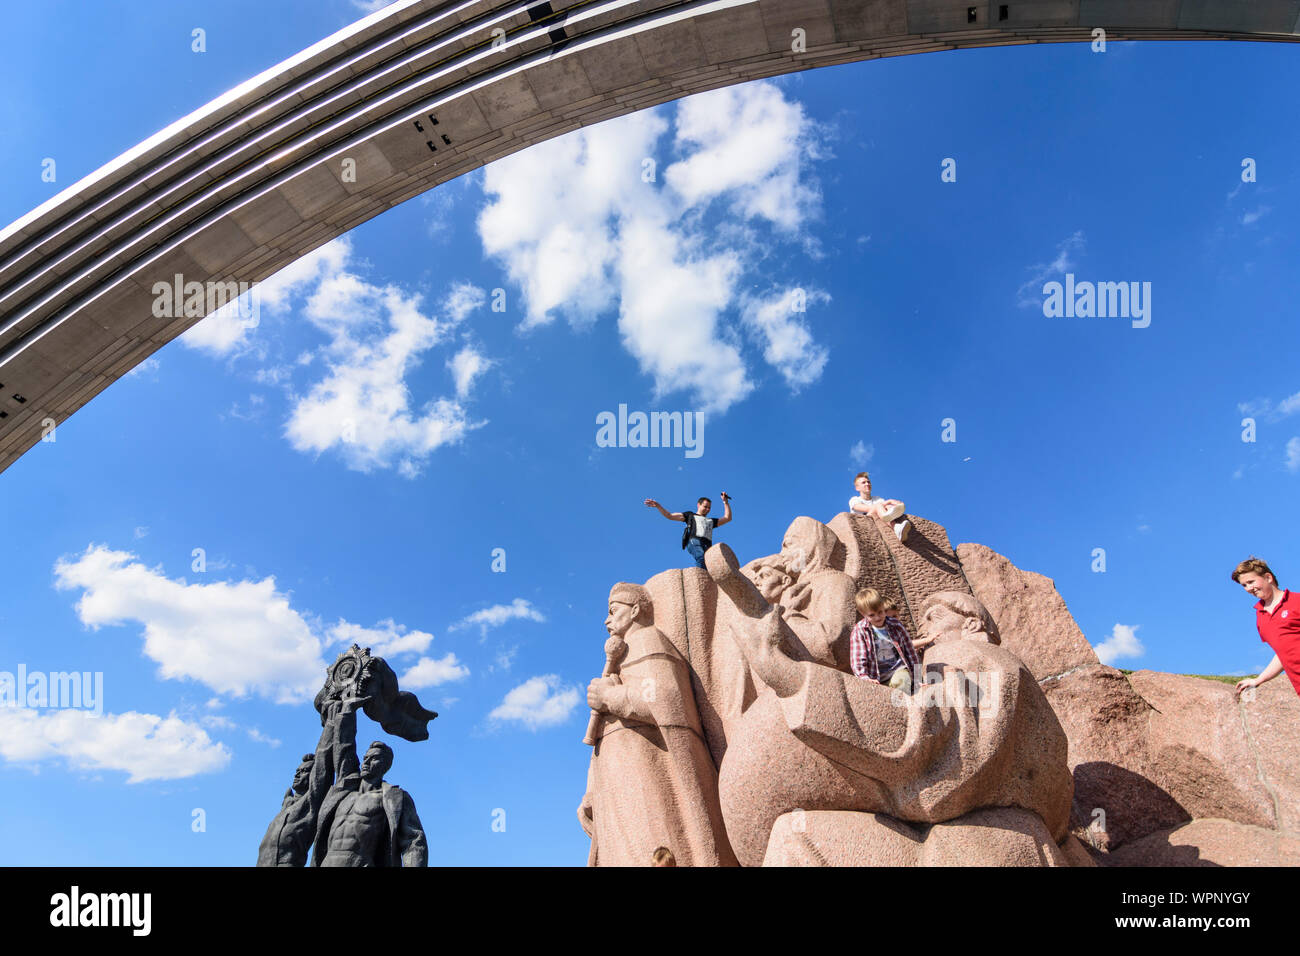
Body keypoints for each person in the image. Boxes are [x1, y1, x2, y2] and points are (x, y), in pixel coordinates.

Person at [578, 582, 738, 866]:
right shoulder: (622, 653)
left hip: (645, 770)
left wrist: (611, 696)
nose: (606, 620)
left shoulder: (649, 640)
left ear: (635, 610)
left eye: (613, 611)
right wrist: (592, 788)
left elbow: (667, 700)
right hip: (616, 778)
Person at [312, 695, 428, 867]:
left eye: (373, 759)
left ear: (385, 765)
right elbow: (344, 747)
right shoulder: (346, 788)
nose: (366, 762)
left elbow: (414, 841)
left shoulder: (394, 797)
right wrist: (348, 712)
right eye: (366, 758)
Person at [1232, 557, 1300, 698]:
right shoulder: (1261, 618)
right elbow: (1283, 653)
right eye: (1244, 585)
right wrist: (1258, 679)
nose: (1248, 588)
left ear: (1268, 577)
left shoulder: (1296, 601)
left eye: (1251, 582)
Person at [848, 587, 921, 694]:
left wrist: (918, 679)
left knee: (902, 681)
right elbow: (858, 659)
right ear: (863, 613)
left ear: (883, 607)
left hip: (897, 670)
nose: (877, 617)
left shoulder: (895, 625)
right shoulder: (859, 631)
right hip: (875, 676)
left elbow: (910, 652)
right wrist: (864, 677)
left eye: (880, 612)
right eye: (872, 615)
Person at [644, 493, 732, 568]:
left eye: (709, 508)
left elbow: (727, 518)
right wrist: (658, 506)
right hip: (694, 540)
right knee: (701, 557)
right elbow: (669, 515)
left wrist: (725, 502)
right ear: (698, 505)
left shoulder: (711, 521)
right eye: (705, 506)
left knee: (710, 564)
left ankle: (707, 578)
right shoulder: (690, 515)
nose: (707, 509)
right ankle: (701, 577)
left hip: (707, 545)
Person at [849, 471, 912, 543]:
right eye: (863, 483)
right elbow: (869, 508)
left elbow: (884, 506)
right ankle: (896, 527)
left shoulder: (877, 498)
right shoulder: (854, 500)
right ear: (857, 488)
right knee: (880, 505)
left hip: (877, 519)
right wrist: (890, 501)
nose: (867, 484)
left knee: (888, 506)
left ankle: (897, 519)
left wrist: (895, 505)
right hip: (865, 523)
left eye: (868, 482)